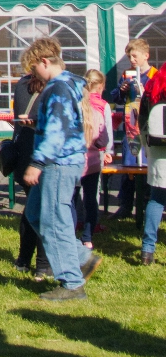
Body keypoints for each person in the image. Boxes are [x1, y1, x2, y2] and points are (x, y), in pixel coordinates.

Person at [21, 36, 102, 301]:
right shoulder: (72, 83)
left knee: (54, 222)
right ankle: (80, 257)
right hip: (66, 158)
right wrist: (37, 123)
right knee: (36, 214)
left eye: (34, 69)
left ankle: (71, 283)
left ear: (44, 62)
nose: (34, 75)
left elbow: (58, 132)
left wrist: (36, 163)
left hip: (59, 162)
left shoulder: (56, 89)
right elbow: (66, 124)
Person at [12, 48, 52, 280]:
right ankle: (43, 265)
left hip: (22, 155)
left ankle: (23, 260)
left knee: (31, 209)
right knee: (43, 212)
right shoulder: (51, 88)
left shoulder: (21, 85)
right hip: (40, 156)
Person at [109, 38, 157, 218]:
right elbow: (117, 98)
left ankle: (146, 204)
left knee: (147, 166)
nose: (132, 60)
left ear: (146, 55)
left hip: (149, 126)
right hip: (131, 127)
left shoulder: (155, 75)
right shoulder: (127, 74)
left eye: (135, 56)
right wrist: (121, 90)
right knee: (129, 165)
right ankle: (125, 204)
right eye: (130, 57)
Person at [78, 70, 114, 249]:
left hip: (76, 158)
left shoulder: (77, 102)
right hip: (93, 158)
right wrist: (108, 150)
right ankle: (88, 236)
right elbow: (105, 136)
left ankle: (72, 226)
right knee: (91, 197)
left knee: (72, 196)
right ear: (100, 86)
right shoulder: (103, 106)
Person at [138, 61, 166, 264]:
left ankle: (147, 250)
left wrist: (146, 147)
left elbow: (142, 120)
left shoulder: (152, 84)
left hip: (157, 148)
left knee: (156, 199)